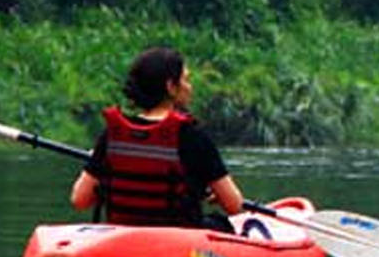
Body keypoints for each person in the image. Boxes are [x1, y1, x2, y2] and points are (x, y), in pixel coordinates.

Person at [69, 47, 248, 232]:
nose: (189, 87)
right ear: (171, 87)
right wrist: (215, 195)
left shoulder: (113, 135)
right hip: (180, 243)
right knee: (221, 223)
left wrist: (106, 180)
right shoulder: (193, 136)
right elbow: (234, 205)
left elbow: (80, 199)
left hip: (123, 238)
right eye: (186, 79)